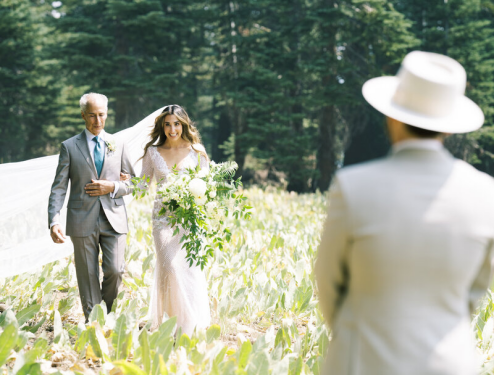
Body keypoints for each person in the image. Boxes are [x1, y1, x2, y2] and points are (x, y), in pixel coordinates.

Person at [315, 51, 494, 374]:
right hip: (450, 364)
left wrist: (353, 331)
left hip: (363, 359)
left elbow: (328, 284)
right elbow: (476, 290)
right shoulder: (486, 194)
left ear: (392, 117)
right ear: (449, 128)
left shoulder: (353, 187)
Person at [48, 93, 135, 321]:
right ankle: (94, 324)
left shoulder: (119, 144)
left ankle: (106, 314)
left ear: (107, 114)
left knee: (115, 271)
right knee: (87, 275)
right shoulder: (69, 147)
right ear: (83, 115)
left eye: (102, 115)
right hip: (81, 219)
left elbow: (134, 182)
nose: (97, 121)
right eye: (92, 116)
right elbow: (59, 187)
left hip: (114, 218)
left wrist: (113, 186)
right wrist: (54, 220)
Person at [136, 104, 211, 334]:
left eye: (176, 124)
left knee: (188, 268)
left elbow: (207, 187)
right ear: (162, 126)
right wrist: (120, 181)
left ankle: (189, 324)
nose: (172, 129)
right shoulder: (152, 152)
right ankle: (170, 321)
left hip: (188, 218)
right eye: (167, 124)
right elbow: (141, 186)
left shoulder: (197, 151)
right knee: (169, 266)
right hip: (162, 220)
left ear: (183, 124)